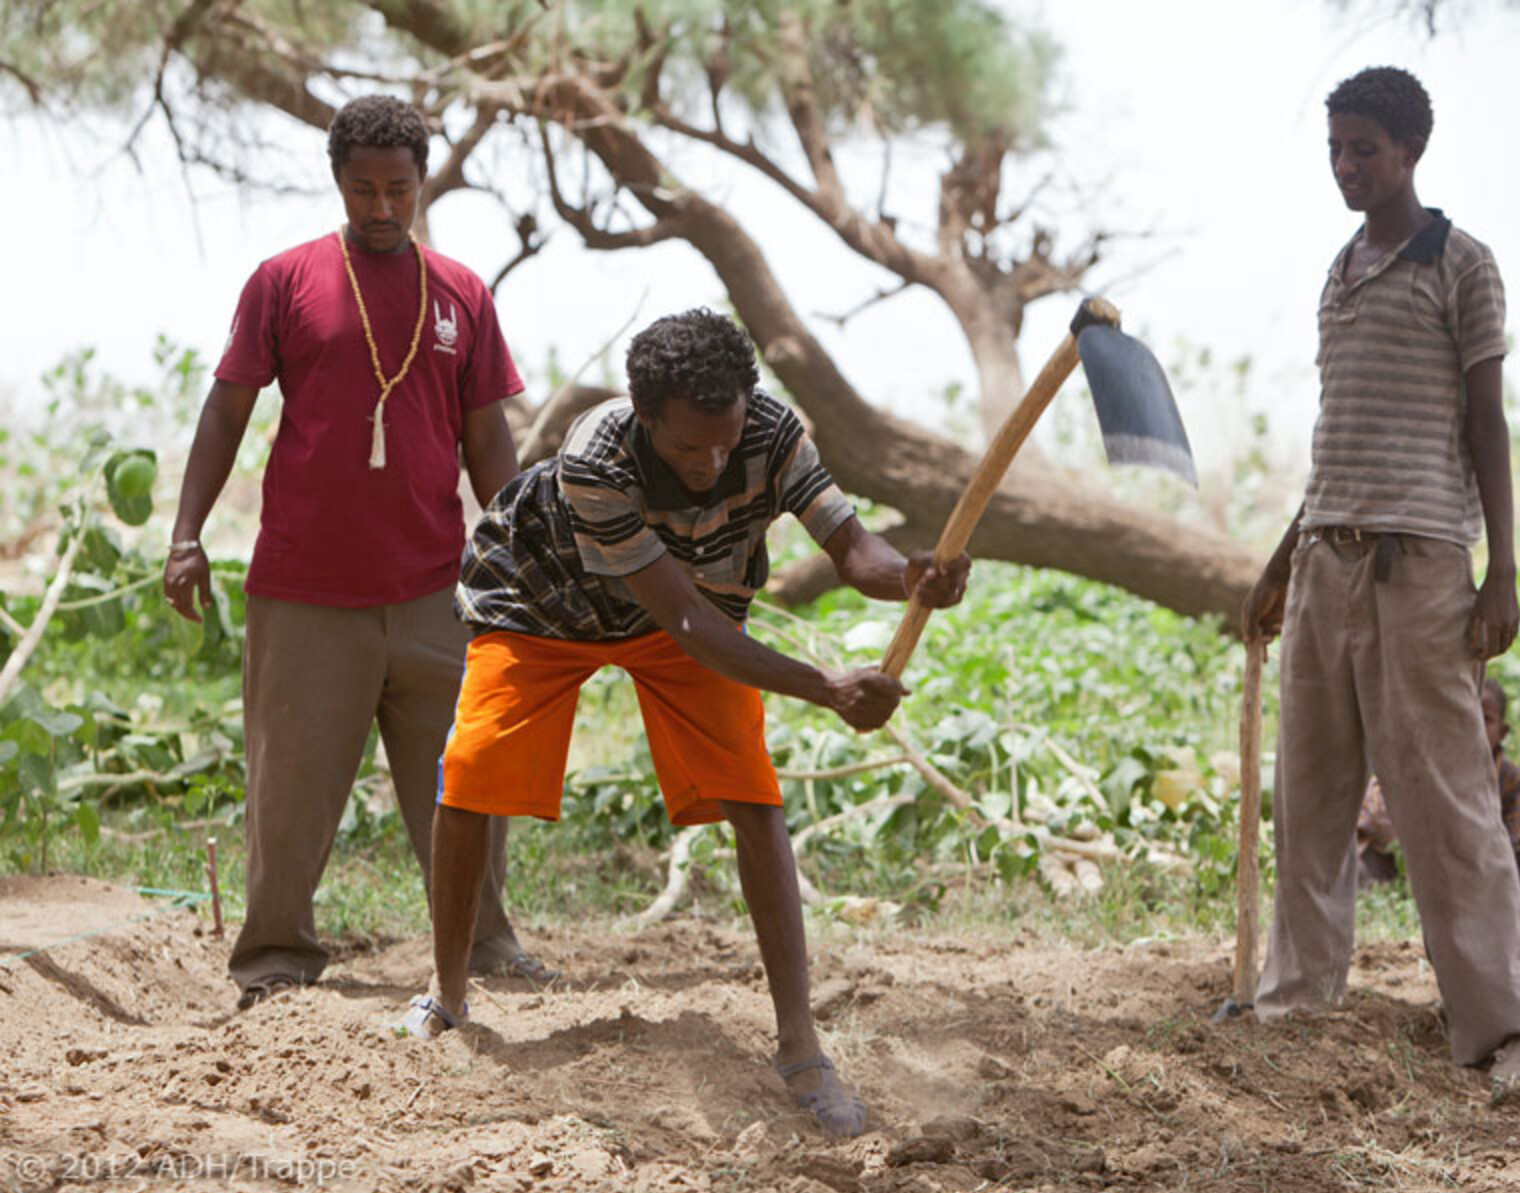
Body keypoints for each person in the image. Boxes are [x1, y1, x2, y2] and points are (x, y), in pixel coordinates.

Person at [404, 308, 970, 1137]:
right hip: (543, 600)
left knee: (752, 792)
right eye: (686, 449)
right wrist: (825, 687)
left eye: (723, 442)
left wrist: (912, 577)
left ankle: (801, 1044)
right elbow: (694, 630)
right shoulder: (597, 459)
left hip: (687, 599)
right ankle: (449, 995)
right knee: (474, 767)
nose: (710, 465)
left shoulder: (774, 431)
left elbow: (853, 553)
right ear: (645, 419)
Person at [164, 95, 549, 1011]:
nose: (382, 208)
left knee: (465, 777)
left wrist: (519, 556)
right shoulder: (284, 280)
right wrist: (186, 536)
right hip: (305, 588)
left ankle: (485, 941)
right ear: (338, 183)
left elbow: (486, 435)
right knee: (289, 788)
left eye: (400, 190)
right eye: (365, 190)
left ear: (421, 185)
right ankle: (275, 959)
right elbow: (227, 409)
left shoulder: (460, 290)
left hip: (433, 589)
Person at [1241, 66, 1520, 1092]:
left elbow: (1484, 423)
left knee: (1445, 799)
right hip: (1325, 562)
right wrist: (1281, 559)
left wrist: (1499, 570)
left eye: (1363, 150)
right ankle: (1294, 999)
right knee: (1311, 793)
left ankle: (1510, 1030)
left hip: (1420, 565)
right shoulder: (1339, 272)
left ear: (1410, 150)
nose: (1345, 167)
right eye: (1334, 149)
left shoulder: (1460, 265)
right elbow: (1337, 439)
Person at [1358, 679, 1520, 901]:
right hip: (1414, 861)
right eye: (1466, 716)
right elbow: (1377, 814)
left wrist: (1478, 845)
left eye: (1485, 719)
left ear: (1503, 732)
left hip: (1483, 863)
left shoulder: (1511, 779)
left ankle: (1511, 894)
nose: (1474, 726)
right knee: (1359, 862)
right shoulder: (1425, 765)